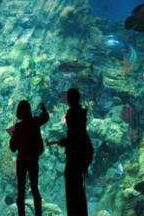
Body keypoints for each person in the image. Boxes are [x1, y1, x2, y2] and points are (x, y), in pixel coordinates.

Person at [57, 88, 93, 216]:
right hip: (83, 153)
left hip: (75, 156)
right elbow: (78, 135)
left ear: (69, 99)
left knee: (73, 190)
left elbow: (74, 136)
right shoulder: (81, 113)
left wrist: (65, 142)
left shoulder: (72, 114)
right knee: (79, 189)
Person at [9, 100, 50, 216]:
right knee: (35, 189)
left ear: (19, 112)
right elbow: (46, 117)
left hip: (21, 161)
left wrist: (13, 134)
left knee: (21, 191)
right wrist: (43, 108)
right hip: (33, 160)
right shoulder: (35, 122)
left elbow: (12, 147)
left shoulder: (18, 127)